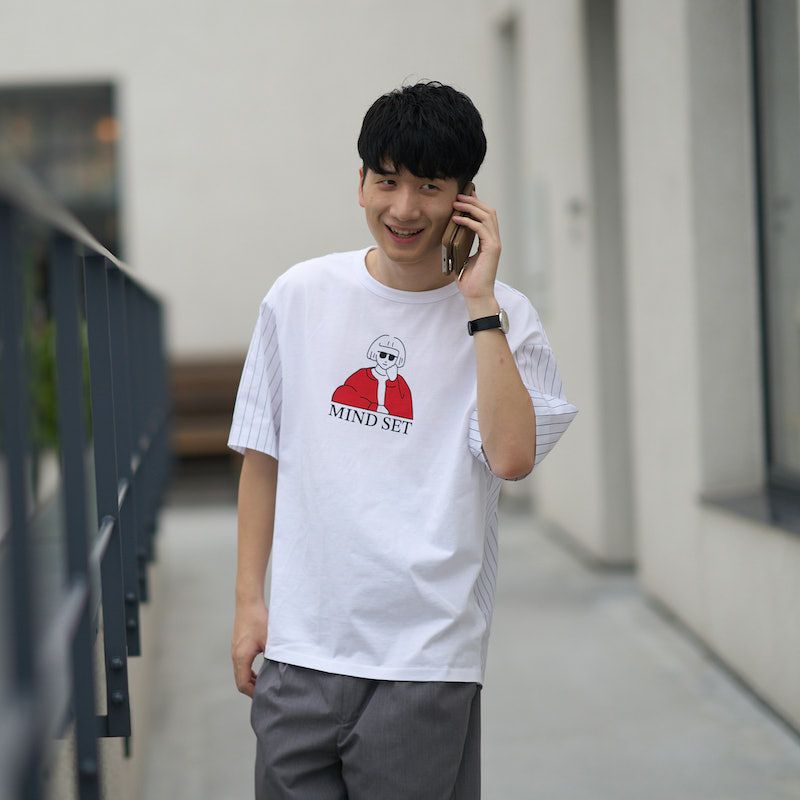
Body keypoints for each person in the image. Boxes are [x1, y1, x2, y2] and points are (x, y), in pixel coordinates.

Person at [228, 79, 579, 800]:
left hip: (426, 662)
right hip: (302, 651)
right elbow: (263, 456)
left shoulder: (508, 318)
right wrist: (249, 604)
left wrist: (478, 303)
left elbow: (512, 457)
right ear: (361, 182)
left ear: (465, 198)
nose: (405, 209)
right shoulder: (298, 296)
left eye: (430, 186)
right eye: (387, 181)